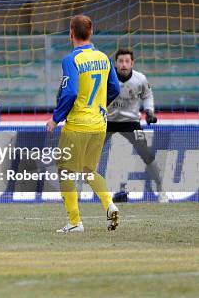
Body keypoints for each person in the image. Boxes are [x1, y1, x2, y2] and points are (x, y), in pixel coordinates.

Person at [46, 15, 121, 233]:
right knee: (89, 171)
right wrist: (99, 105)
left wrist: (55, 118)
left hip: (78, 124)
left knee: (65, 172)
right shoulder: (103, 57)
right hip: (99, 123)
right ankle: (109, 204)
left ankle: (75, 221)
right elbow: (115, 88)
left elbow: (70, 92)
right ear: (91, 32)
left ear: (71, 33)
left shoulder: (71, 59)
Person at [108, 48, 167, 203]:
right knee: (91, 153)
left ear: (132, 63)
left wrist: (149, 112)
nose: (124, 64)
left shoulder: (140, 79)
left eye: (127, 61)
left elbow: (147, 96)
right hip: (107, 122)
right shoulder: (106, 77)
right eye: (121, 61)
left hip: (131, 122)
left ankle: (161, 190)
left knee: (146, 153)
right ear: (116, 63)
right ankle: (78, 190)